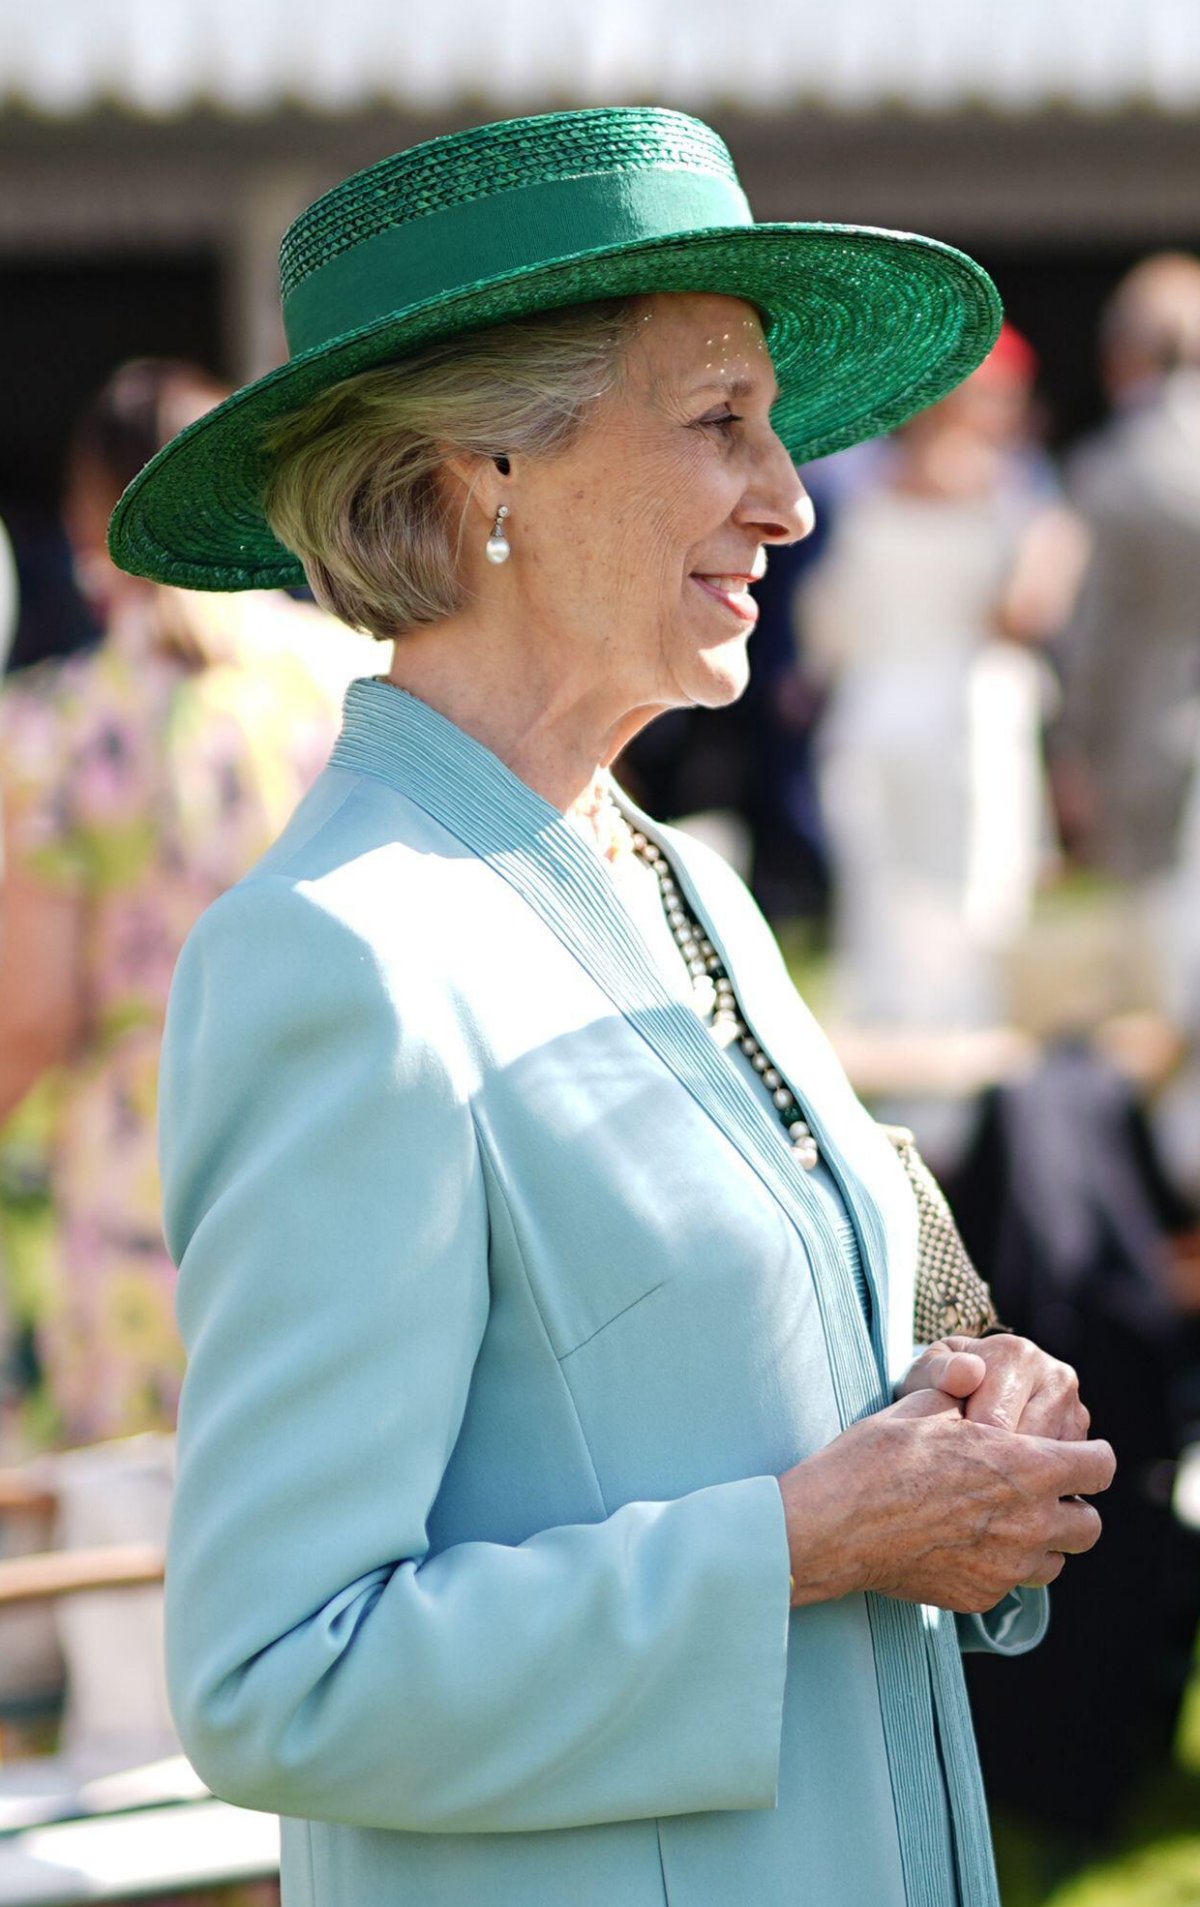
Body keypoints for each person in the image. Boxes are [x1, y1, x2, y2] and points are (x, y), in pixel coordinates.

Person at [109, 110, 1114, 1907]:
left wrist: (965, 1425)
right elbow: (278, 1676)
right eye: (721, 420)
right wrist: (802, 1545)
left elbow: (739, 1394)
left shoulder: (688, 881)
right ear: (486, 470)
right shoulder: (339, 954)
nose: (794, 496)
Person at [0, 359, 375, 1447]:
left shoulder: (56, 731)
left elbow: (31, 1013)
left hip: (142, 1197)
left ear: (85, 521)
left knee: (140, 1570)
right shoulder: (361, 683)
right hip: (336, 1164)